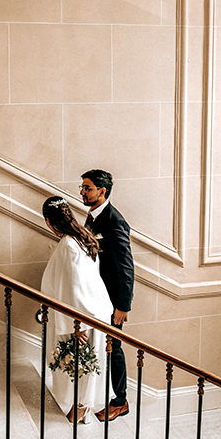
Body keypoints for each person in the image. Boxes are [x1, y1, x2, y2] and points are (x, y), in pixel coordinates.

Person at [40, 196, 114, 424]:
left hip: (83, 316)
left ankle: (80, 407)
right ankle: (83, 406)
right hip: (92, 312)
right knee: (85, 364)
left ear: (49, 221)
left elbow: (74, 286)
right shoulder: (82, 236)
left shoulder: (68, 245)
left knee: (80, 364)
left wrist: (77, 325)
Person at [80, 169, 134, 422]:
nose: (82, 192)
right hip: (96, 293)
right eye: (82, 187)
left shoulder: (115, 221)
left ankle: (120, 402)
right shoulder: (93, 215)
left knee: (114, 347)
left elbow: (126, 267)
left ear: (102, 191)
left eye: (87, 188)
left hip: (112, 300)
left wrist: (123, 305)